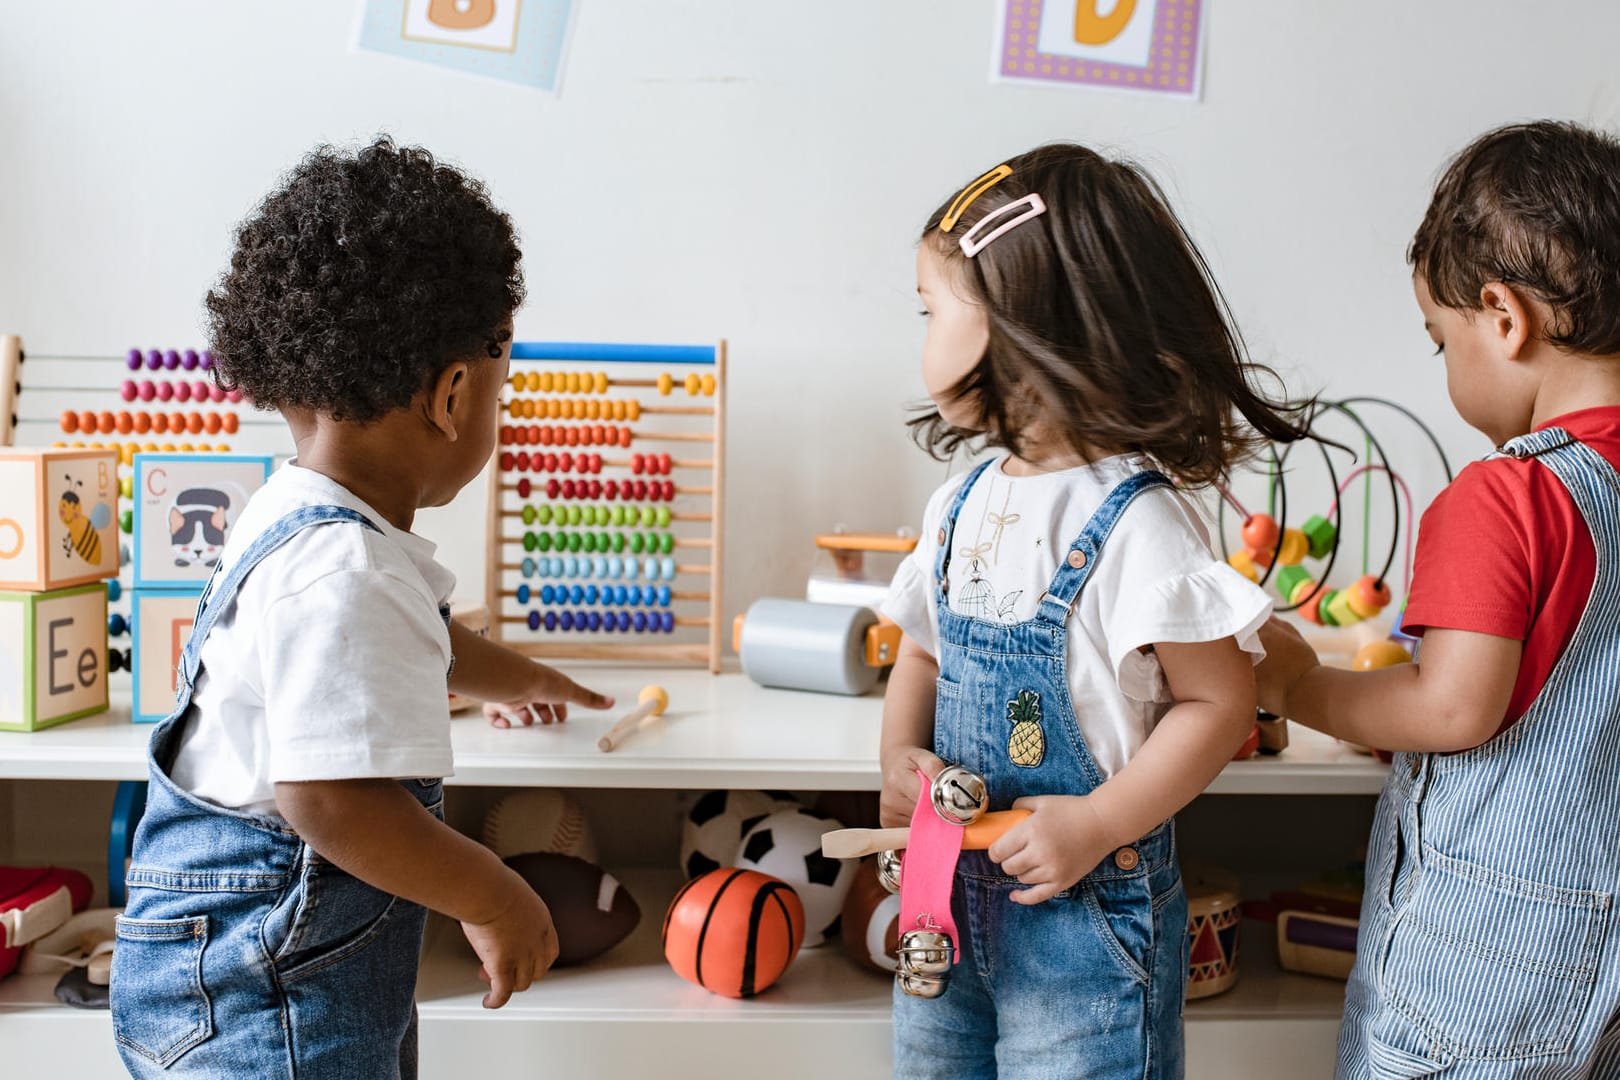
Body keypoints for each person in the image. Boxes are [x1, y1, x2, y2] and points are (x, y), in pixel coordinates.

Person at [110, 137, 613, 1079]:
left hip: (247, 975)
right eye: (497, 389)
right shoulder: (347, 572)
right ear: (456, 394)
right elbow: (332, 799)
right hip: (271, 1001)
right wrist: (494, 895)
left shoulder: (301, 513)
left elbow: (420, 641)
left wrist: (523, 676)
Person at [881, 143, 1307, 1079]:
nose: (917, 336)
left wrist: (1098, 823)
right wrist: (895, 760)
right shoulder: (960, 499)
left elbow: (1219, 705)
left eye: (929, 309)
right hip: (941, 902)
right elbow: (921, 652)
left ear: (1019, 323)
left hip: (1083, 926)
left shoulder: (1135, 519)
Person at [1258, 120, 1620, 1078]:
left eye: (1439, 340)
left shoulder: (1506, 494)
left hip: (1493, 963)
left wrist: (1297, 684)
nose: (1446, 362)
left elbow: (1449, 706)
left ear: (1503, 317)